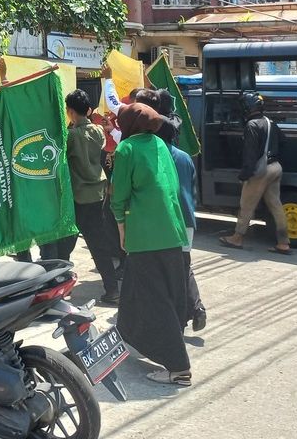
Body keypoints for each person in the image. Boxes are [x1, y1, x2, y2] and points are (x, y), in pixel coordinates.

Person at [109, 103, 192, 386]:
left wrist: (121, 227)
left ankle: (178, 367)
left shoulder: (126, 149)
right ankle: (127, 337)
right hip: (172, 230)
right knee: (137, 291)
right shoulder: (159, 143)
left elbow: (118, 194)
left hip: (145, 234)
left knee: (155, 301)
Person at [134, 88, 205, 331]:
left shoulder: (157, 157)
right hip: (188, 221)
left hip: (168, 223)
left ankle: (180, 320)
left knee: (171, 274)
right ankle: (195, 307)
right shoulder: (184, 157)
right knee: (183, 266)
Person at [53, 89, 121, 306]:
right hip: (97, 194)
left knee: (64, 246)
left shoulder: (71, 136)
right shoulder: (98, 131)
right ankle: (112, 289)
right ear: (89, 110)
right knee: (99, 245)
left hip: (77, 197)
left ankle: (61, 290)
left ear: (70, 111)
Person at [219, 92, 290, 253]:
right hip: (276, 167)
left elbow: (250, 155)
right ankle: (284, 242)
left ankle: (237, 238)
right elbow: (284, 141)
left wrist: (244, 175)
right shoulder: (270, 122)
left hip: (260, 171)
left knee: (246, 205)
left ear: (248, 108)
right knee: (276, 206)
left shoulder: (252, 125)